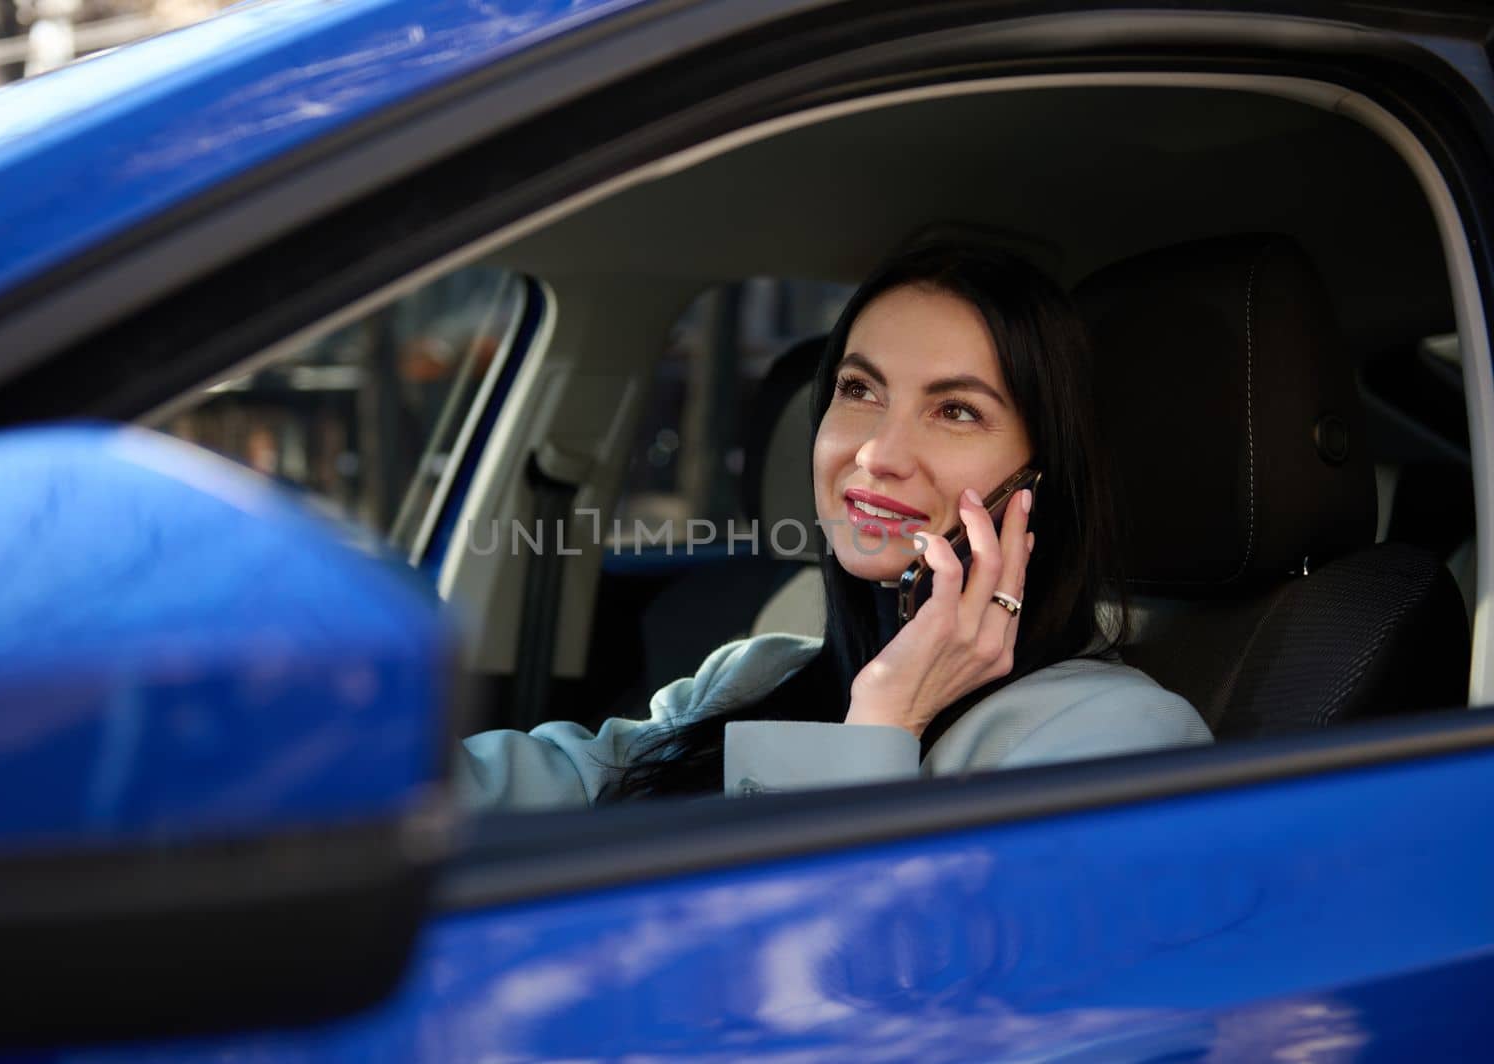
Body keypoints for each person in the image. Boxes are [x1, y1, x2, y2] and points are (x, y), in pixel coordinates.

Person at [456, 237, 1211, 810]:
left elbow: (831, 980)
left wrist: (888, 718)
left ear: (1043, 478)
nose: (878, 453)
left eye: (956, 410)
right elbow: (536, 789)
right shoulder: (755, 672)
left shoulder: (1120, 738)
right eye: (859, 389)